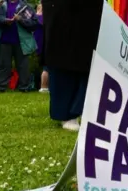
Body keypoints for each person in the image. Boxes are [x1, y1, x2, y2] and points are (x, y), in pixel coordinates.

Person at [42, 0, 103, 131]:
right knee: (63, 58)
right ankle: (67, 114)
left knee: (88, 62)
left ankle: (78, 111)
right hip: (62, 15)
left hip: (89, 16)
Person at [0, 0, 38, 92]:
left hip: (22, 42)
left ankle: (24, 87)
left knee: (23, 66)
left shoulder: (26, 7)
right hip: (3, 40)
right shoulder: (0, 5)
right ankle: (0, 87)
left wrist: (20, 19)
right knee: (3, 65)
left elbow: (34, 24)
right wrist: (3, 21)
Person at [34, 3, 48, 93]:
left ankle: (39, 85)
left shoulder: (34, 17)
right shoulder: (42, 17)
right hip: (43, 42)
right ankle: (43, 86)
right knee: (46, 66)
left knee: (41, 65)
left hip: (37, 43)